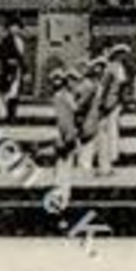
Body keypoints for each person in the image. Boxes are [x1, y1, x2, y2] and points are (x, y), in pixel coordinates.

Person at [95, 43, 131, 174]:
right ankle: (107, 162)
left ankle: (108, 162)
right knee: (108, 132)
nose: (122, 56)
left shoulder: (114, 68)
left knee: (109, 131)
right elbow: (106, 87)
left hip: (112, 102)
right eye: (120, 54)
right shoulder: (113, 68)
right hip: (110, 102)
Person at [49, 68, 81, 204]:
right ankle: (62, 197)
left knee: (63, 165)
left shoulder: (64, 97)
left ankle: (61, 196)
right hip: (65, 134)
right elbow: (64, 119)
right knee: (63, 165)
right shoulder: (62, 97)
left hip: (66, 134)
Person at [0, 17, 26, 111]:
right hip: (9, 69)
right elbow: (1, 54)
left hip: (18, 69)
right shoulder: (5, 40)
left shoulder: (21, 40)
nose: (15, 29)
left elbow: (22, 57)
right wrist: (8, 60)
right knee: (8, 90)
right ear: (8, 28)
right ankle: (6, 113)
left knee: (16, 92)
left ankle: (13, 113)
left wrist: (25, 70)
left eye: (17, 27)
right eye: (12, 27)